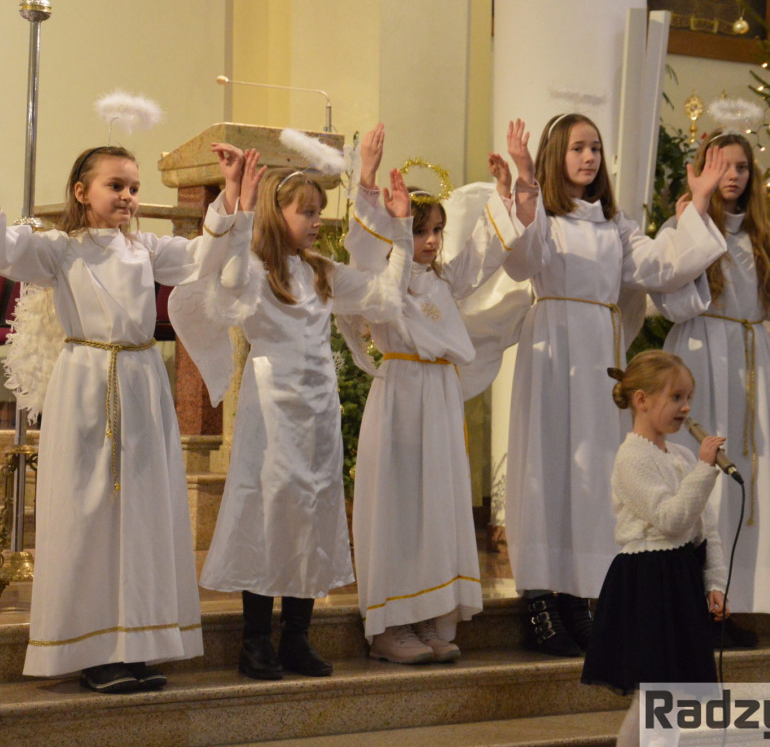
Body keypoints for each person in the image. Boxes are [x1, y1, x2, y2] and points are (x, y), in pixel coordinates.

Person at [0, 112, 250, 693]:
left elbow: (202, 259)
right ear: (82, 193)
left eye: (135, 187)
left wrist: (231, 193)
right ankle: (93, 648)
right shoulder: (60, 251)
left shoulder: (147, 250)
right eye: (116, 186)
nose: (129, 197)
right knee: (89, 514)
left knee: (141, 514)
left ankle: (137, 642)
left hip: (140, 384)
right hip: (87, 385)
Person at [500, 114, 729, 656]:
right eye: (578, 148)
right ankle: (540, 596)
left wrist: (696, 205)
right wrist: (525, 185)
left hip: (600, 353)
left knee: (592, 470)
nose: (589, 157)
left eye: (596, 148)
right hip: (552, 348)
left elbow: (658, 266)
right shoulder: (546, 219)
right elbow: (521, 261)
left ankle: (579, 591)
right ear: (558, 155)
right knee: (546, 464)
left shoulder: (613, 224)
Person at [191, 164, 414, 681]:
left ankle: (296, 636)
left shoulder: (320, 269)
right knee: (269, 509)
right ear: (277, 211)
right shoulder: (251, 267)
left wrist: (400, 233)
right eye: (305, 211)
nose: (316, 221)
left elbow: (383, 296)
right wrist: (242, 212)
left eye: (319, 211)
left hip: (318, 404)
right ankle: (255, 642)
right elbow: (223, 288)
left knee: (312, 509)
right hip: (271, 401)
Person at [345, 124, 522, 664]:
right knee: (400, 505)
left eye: (436, 231)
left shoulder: (442, 281)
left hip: (439, 400)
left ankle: (427, 617)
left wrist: (506, 194)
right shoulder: (386, 278)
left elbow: (482, 254)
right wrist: (369, 183)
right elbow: (367, 257)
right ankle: (388, 627)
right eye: (420, 231)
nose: (429, 241)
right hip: (401, 395)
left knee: (437, 508)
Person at [650, 130, 770, 633]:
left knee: (746, 475)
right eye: (723, 166)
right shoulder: (685, 224)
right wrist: (695, 212)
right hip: (699, 355)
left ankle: (731, 599)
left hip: (749, 363)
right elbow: (663, 289)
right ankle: (693, 599)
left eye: (742, 167)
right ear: (705, 170)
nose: (733, 175)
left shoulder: (764, 235)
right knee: (702, 474)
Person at [581, 350, 729, 747]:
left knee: (672, 695)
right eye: (676, 397)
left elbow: (704, 528)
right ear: (641, 400)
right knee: (656, 693)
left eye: (688, 398)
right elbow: (670, 519)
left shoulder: (679, 456)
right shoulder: (632, 457)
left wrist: (714, 580)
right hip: (647, 580)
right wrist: (705, 469)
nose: (686, 408)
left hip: (680, 577)